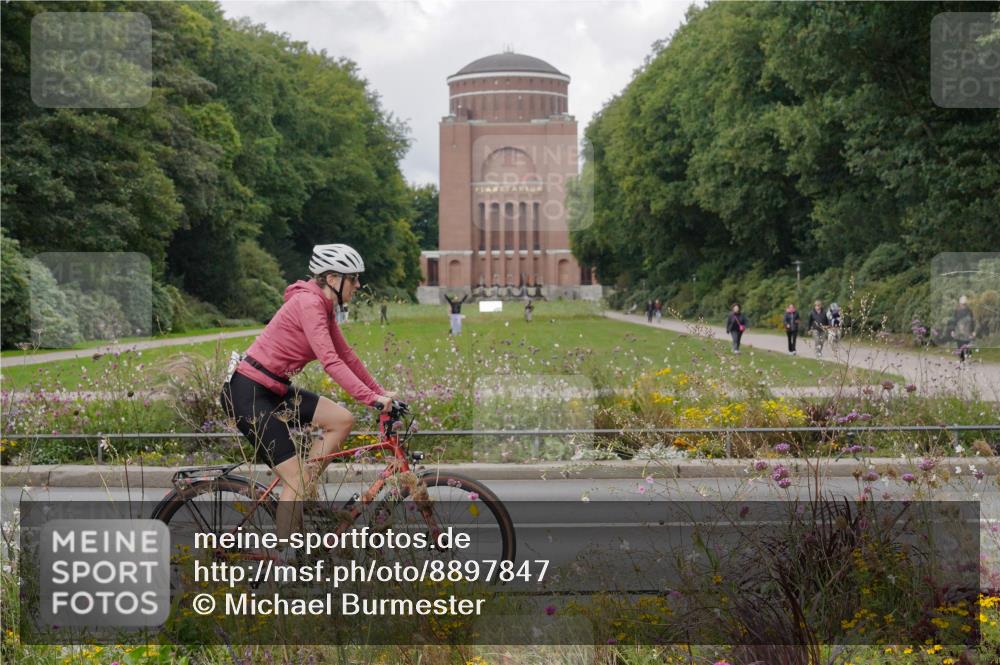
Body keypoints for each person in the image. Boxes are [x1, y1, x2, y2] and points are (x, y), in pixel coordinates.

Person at [220, 243, 395, 547]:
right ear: (332, 280)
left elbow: (347, 356)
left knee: (341, 420)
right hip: (247, 392)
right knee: (295, 479)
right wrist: (370, 398)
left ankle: (303, 494)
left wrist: (380, 393)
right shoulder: (309, 304)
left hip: (271, 388)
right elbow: (331, 361)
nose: (357, 285)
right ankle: (283, 563)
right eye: (352, 278)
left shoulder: (323, 307)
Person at [951, 295, 976, 362]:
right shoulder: (957, 311)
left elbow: (972, 321)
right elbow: (954, 321)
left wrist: (973, 331)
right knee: (959, 344)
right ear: (960, 303)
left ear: (966, 304)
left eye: (964, 304)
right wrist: (953, 330)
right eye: (962, 304)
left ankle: (967, 354)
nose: (963, 305)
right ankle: (962, 359)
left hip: (967, 331)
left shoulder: (969, 311)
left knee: (966, 343)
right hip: (958, 331)